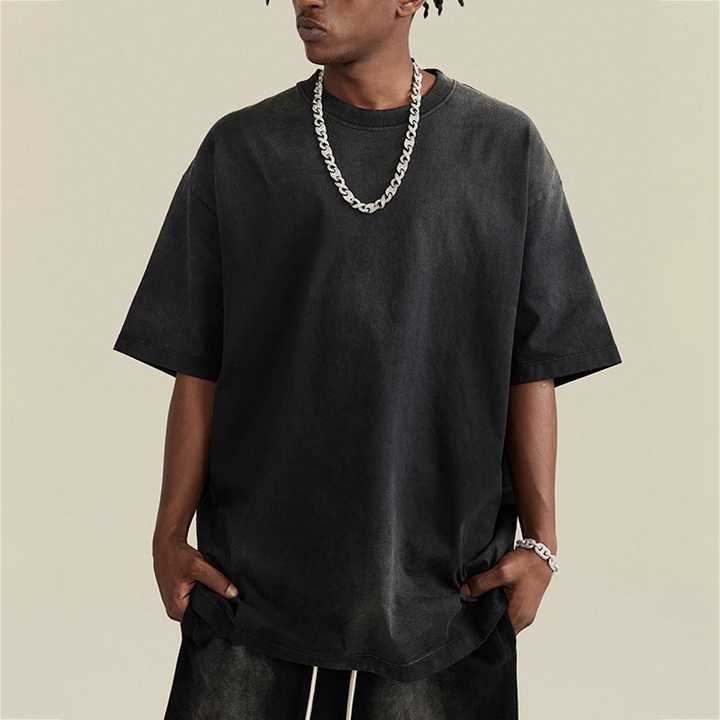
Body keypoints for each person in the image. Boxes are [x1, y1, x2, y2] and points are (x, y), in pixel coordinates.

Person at [112, 0, 622, 717]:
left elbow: (532, 361)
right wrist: (168, 532)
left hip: (443, 594)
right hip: (250, 588)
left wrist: (542, 543)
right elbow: (198, 360)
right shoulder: (243, 149)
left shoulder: (503, 148)